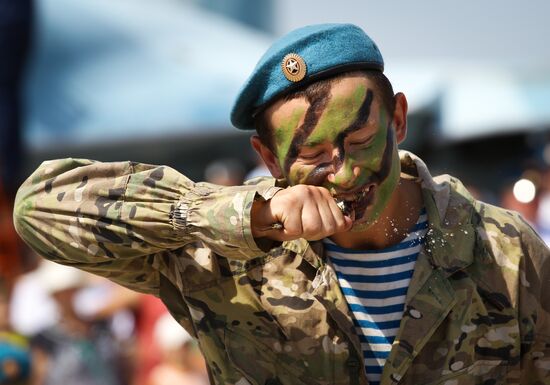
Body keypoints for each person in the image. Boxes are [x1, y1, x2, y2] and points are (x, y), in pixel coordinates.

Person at [12, 23, 550, 385]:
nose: (343, 169)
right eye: (312, 153)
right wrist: (248, 217)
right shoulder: (219, 260)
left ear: (398, 120)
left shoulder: (502, 249)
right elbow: (39, 208)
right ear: (268, 158)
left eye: (361, 140)